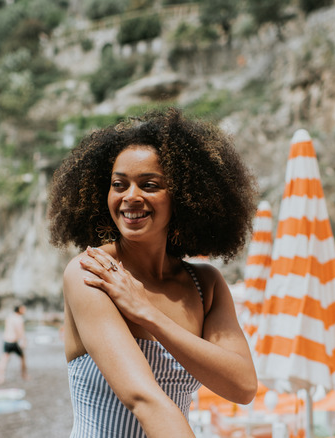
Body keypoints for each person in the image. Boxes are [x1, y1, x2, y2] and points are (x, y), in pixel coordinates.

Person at [48, 108, 259, 437]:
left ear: (183, 198)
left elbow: (243, 386)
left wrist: (147, 314)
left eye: (149, 185)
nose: (131, 197)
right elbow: (144, 400)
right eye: (119, 185)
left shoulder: (206, 285)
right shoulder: (90, 273)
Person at [0, 304, 28, 383]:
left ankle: (0, 377)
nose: (25, 310)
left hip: (6, 341)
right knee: (22, 358)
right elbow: (19, 330)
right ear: (19, 310)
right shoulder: (19, 318)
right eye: (23, 309)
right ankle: (24, 375)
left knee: (4, 359)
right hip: (14, 342)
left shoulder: (9, 317)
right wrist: (23, 340)